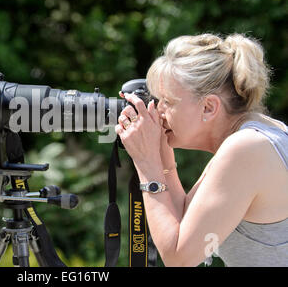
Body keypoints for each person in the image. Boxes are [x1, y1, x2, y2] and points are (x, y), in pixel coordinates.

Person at [115, 33, 288, 267]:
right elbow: (184, 223)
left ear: (208, 107)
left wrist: (147, 164)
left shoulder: (246, 148)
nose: (158, 110)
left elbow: (179, 258)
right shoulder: (259, 134)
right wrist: (161, 157)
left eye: (168, 102)